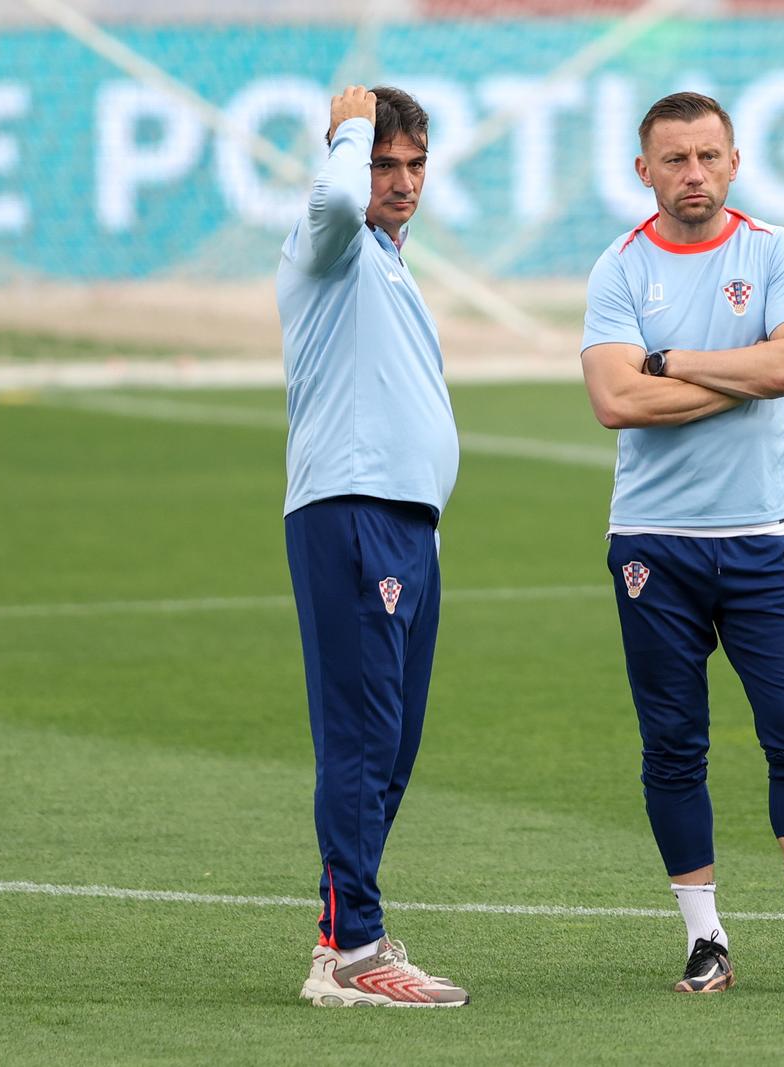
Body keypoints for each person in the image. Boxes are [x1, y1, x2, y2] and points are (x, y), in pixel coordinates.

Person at [579, 92, 784, 997]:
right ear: (643, 169)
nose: (695, 174)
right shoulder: (619, 269)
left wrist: (673, 360)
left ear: (735, 159)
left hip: (765, 538)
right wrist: (746, 372)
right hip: (654, 542)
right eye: (675, 159)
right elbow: (615, 401)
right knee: (674, 742)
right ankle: (706, 940)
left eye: (709, 156)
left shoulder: (774, 251)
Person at [280, 84, 467, 1008]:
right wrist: (349, 130)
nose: (398, 181)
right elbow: (333, 200)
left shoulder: (388, 262)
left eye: (413, 165)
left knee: (389, 743)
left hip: (403, 522)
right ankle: (353, 952)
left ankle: (343, 933)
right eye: (382, 162)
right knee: (361, 740)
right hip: (351, 511)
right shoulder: (333, 242)